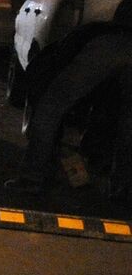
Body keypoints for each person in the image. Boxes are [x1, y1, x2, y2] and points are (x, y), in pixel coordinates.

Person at [8, 28, 132, 199]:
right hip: (113, 41)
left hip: (107, 44)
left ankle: (32, 178)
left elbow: (50, 109)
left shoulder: (50, 65)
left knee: (50, 109)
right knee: (128, 122)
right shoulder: (68, 51)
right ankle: (122, 188)